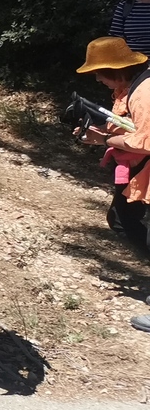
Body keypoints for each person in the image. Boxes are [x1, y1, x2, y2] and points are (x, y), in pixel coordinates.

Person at [73, 37, 150, 332]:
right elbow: (127, 127)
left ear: (115, 71)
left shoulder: (144, 93)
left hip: (144, 166)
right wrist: (97, 132)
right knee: (121, 218)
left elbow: (145, 140)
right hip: (138, 170)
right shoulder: (128, 89)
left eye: (99, 72)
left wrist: (104, 139)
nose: (97, 78)